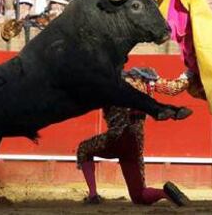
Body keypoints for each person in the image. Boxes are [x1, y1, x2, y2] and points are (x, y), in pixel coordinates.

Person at [76, 67, 191, 205]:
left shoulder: (108, 82)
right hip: (134, 144)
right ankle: (165, 193)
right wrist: (190, 72)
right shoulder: (147, 81)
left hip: (116, 138)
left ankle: (93, 195)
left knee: (84, 149)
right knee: (139, 196)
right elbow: (173, 88)